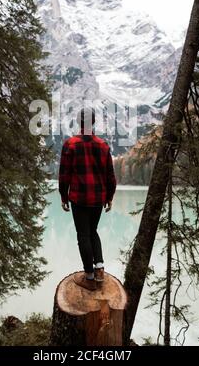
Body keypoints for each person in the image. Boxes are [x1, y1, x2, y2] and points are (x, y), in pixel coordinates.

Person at [58, 107, 117, 291]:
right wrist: (109, 196)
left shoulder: (71, 144)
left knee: (83, 235)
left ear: (79, 122)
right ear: (94, 123)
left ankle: (89, 275)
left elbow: (64, 174)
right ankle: (99, 268)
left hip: (79, 197)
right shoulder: (103, 145)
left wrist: (63, 195)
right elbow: (110, 176)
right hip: (98, 198)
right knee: (93, 231)